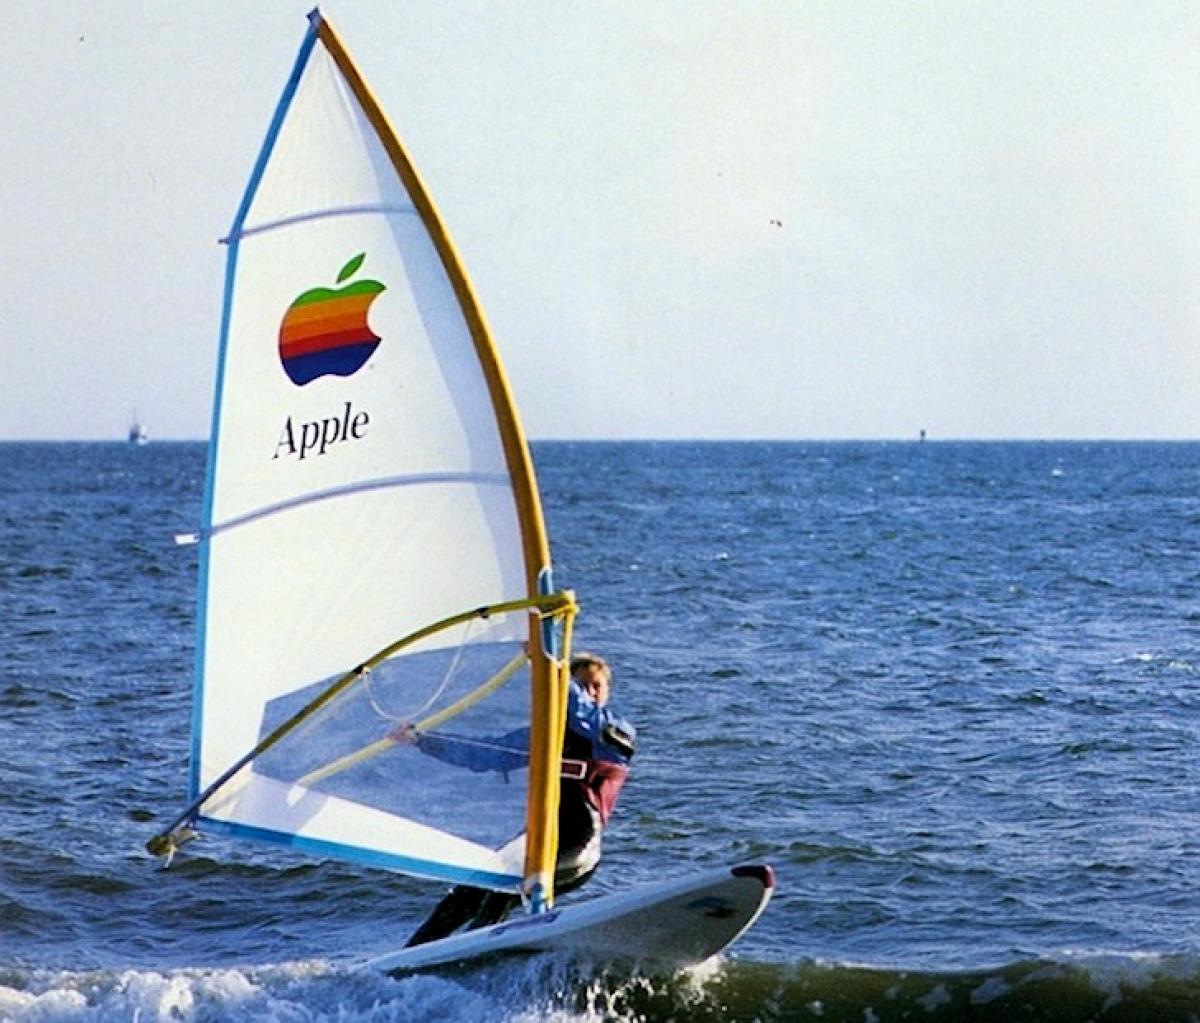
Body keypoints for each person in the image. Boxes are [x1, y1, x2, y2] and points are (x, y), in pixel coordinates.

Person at [401, 651, 635, 946]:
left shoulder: (614, 732)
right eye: (583, 684)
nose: (590, 691)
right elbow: (486, 753)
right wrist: (422, 740)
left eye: (597, 686)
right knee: (468, 893)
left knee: (505, 890)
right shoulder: (544, 736)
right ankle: (405, 961)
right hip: (536, 839)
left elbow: (580, 711)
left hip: (578, 845)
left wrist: (545, 660)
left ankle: (475, 954)